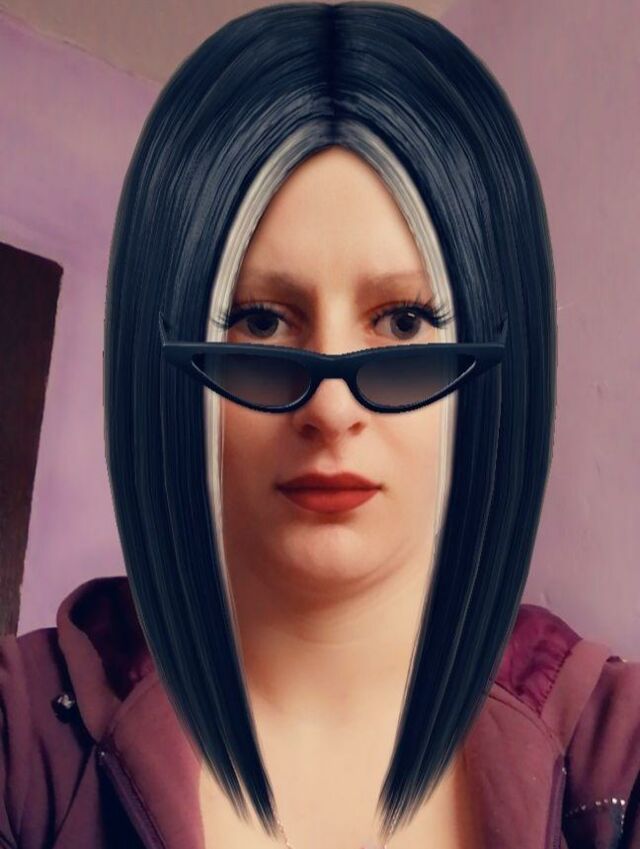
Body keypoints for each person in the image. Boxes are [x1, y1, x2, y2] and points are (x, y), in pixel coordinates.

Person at [1, 4, 638, 849]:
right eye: (261, 320)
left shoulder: (615, 758)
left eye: (404, 321)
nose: (332, 408)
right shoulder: (21, 739)